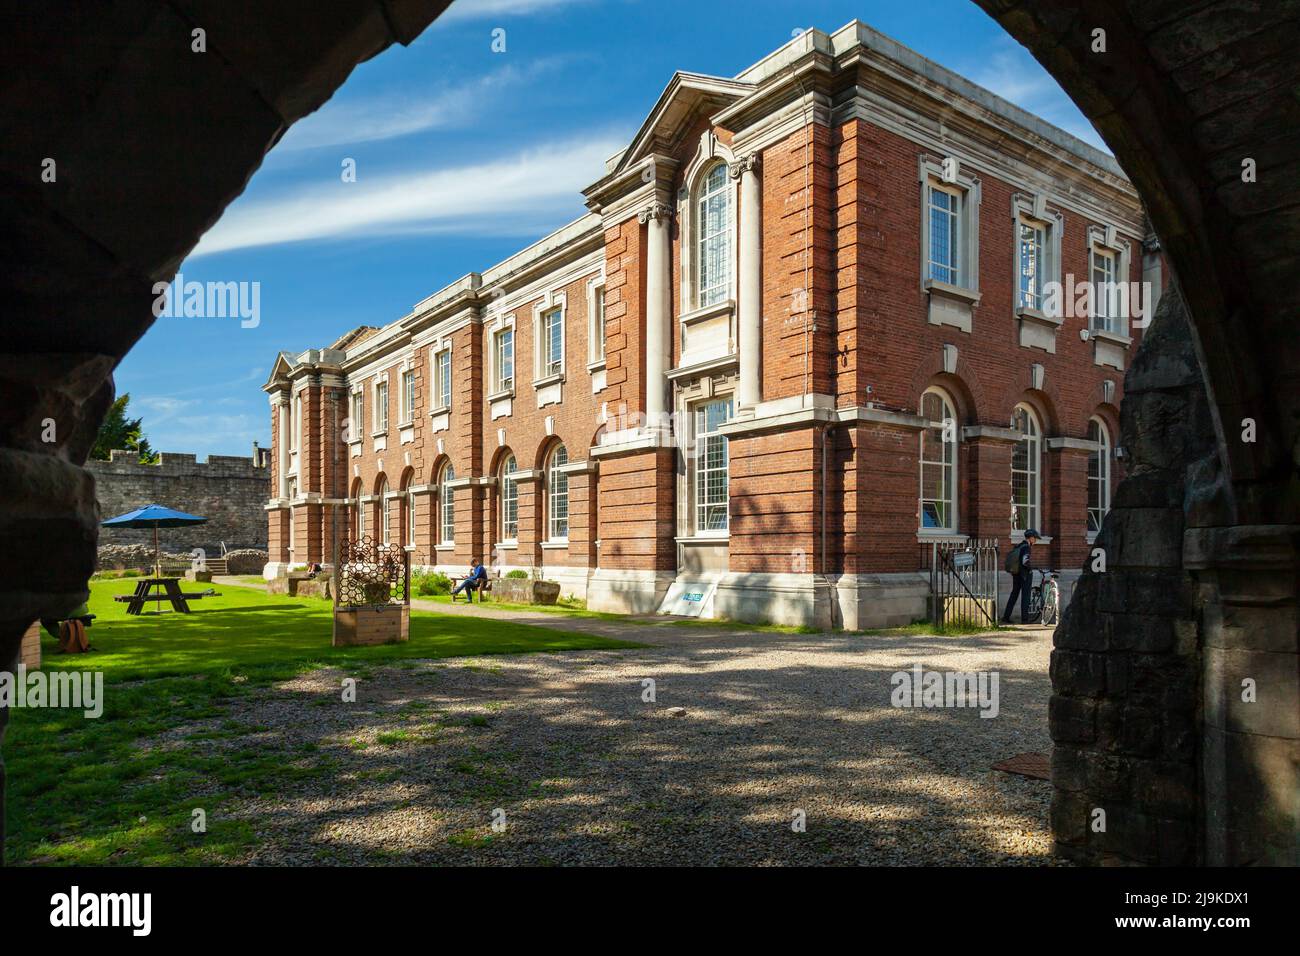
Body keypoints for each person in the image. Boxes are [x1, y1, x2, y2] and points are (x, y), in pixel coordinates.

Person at [1001, 529, 1039, 624]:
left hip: (1016, 574)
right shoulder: (1026, 547)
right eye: (1035, 538)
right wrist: (1031, 568)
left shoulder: (1019, 546)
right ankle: (1025, 619)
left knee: (1014, 595)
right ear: (1030, 538)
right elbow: (1025, 561)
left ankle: (1006, 617)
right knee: (1025, 597)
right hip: (1024, 575)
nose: (1036, 540)